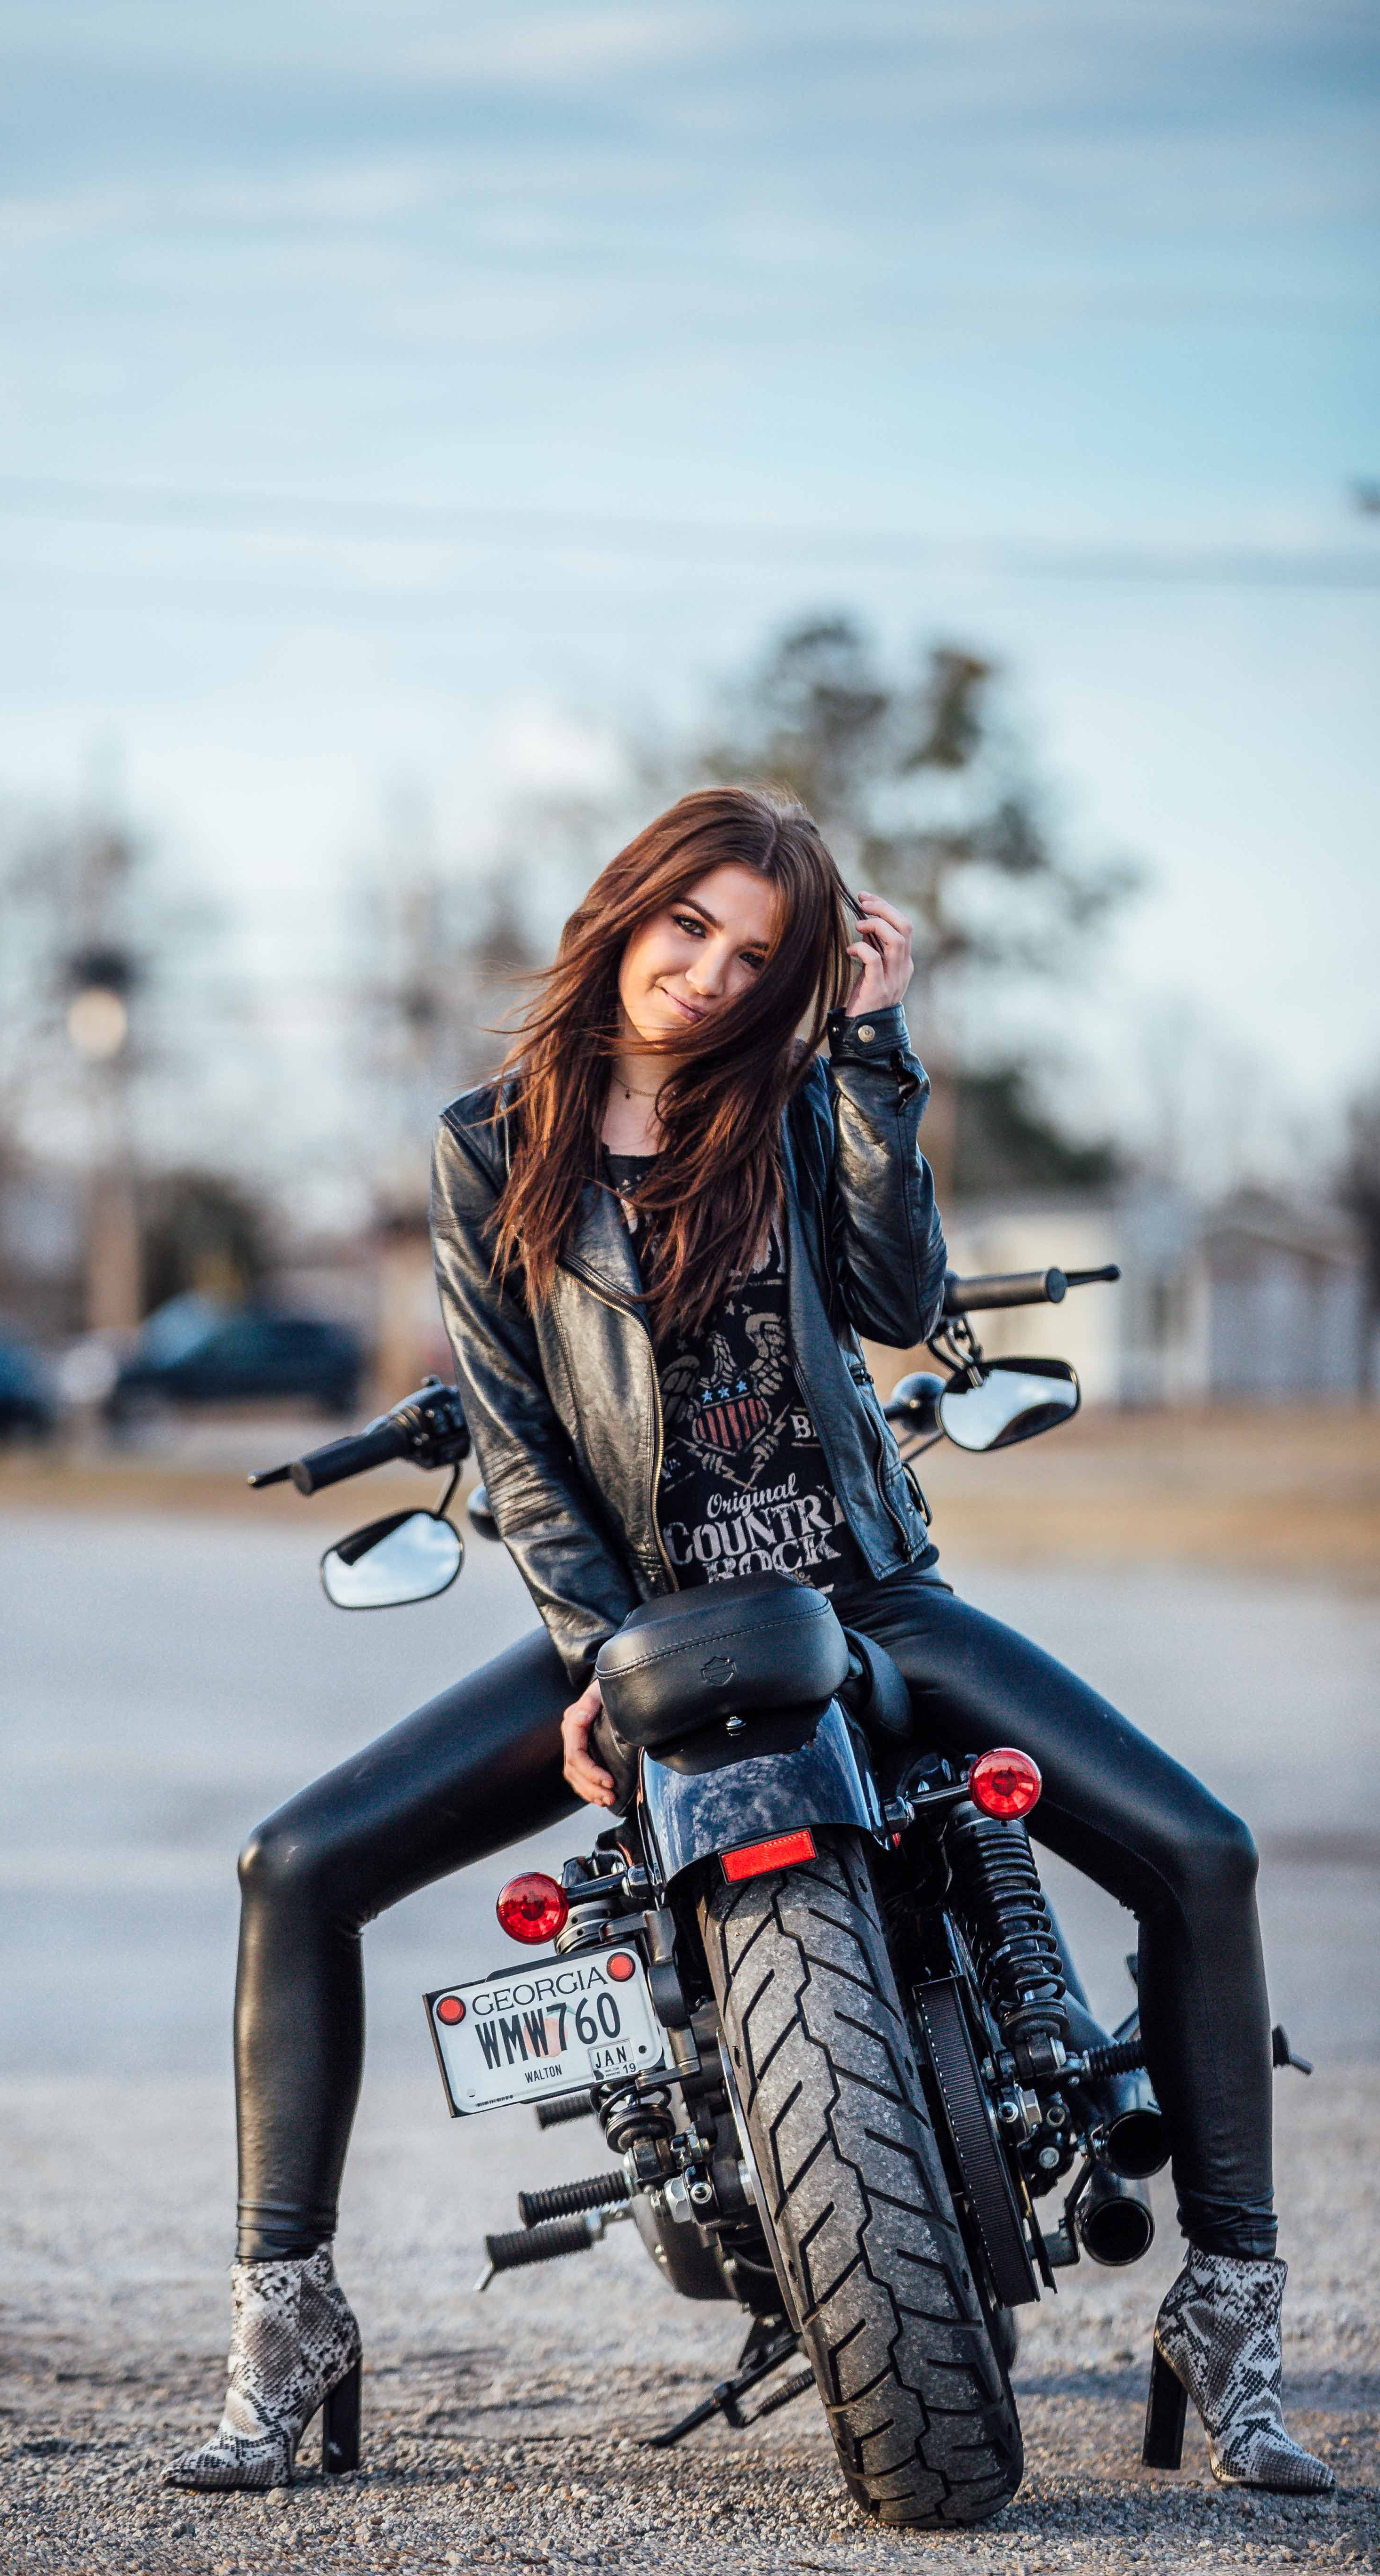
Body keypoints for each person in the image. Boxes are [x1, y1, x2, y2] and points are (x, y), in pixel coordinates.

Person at [166, 785, 1331, 2499]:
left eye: (758, 955)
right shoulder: (488, 1138)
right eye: (688, 927)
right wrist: (597, 1667)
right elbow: (514, 1440)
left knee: (1203, 1852)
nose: (710, 974)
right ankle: (289, 2325)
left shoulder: (796, 1099)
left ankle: (1229, 2311)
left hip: (864, 1594)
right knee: (295, 1863)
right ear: (627, 911)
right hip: (647, 1628)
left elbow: (889, 1296)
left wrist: (874, 1050)